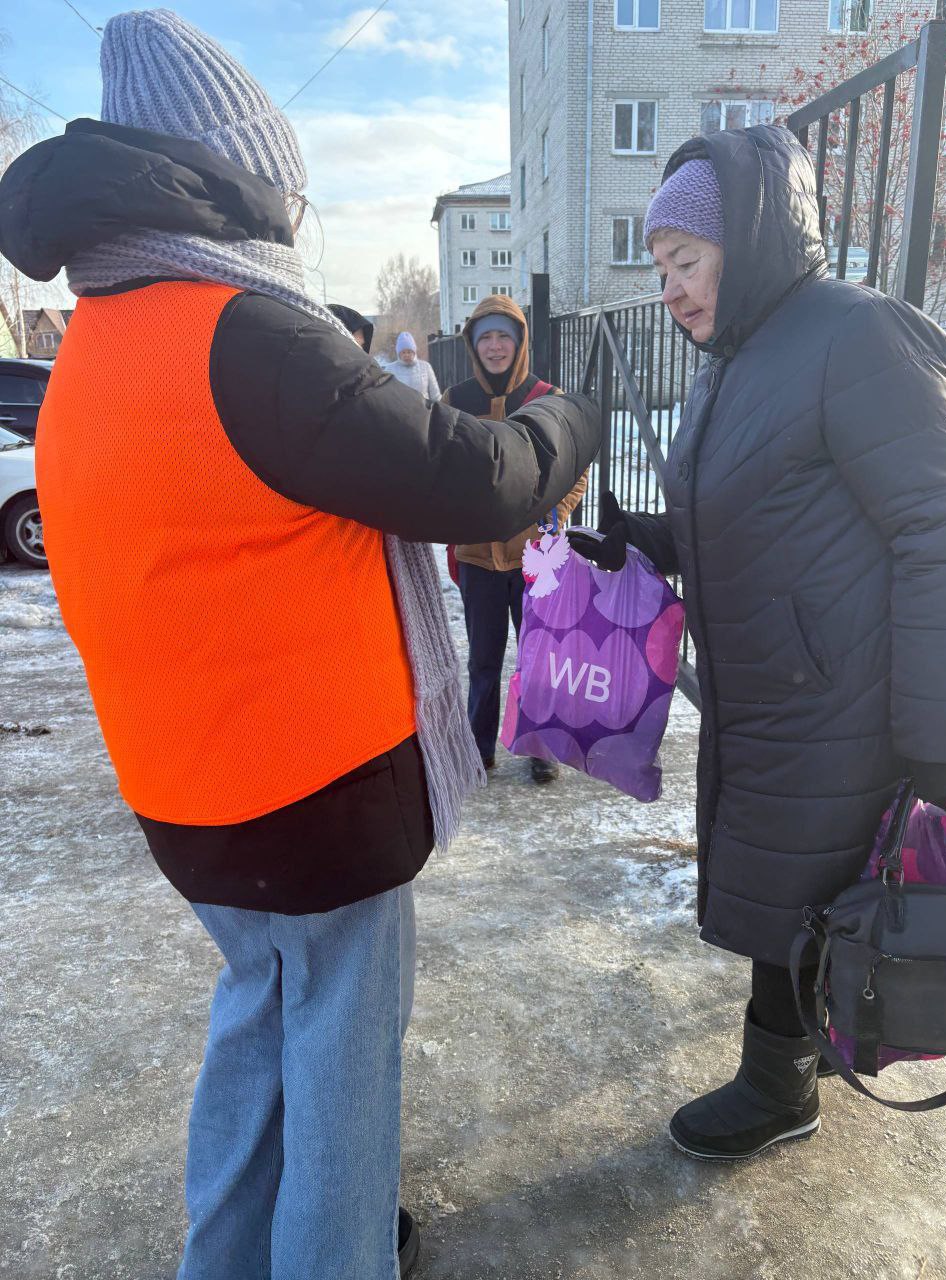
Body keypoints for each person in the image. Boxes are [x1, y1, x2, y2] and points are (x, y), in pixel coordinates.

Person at [0, 10, 600, 1277]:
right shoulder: (244, 335)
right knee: (342, 1058)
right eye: (285, 187)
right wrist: (568, 410)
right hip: (318, 795)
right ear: (231, 179)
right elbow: (477, 476)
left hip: (189, 800)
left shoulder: (96, 350)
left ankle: (225, 1257)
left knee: (259, 1018)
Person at [570, 126, 946, 1161]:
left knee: (815, 897)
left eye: (685, 262)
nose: (672, 291)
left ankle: (779, 1083)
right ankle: (790, 1070)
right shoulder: (734, 360)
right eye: (659, 269)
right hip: (776, 694)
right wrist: (641, 538)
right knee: (796, 894)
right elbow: (755, 514)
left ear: (748, 243)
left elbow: (944, 522)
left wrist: (940, 730)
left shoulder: (856, 335)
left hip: (849, 701)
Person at [443, 294, 588, 784]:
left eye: (504, 335)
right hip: (480, 558)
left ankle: (542, 747)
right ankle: (479, 749)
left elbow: (576, 469)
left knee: (540, 657)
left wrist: (555, 517)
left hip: (537, 557)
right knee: (483, 659)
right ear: (473, 344)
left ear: (520, 340)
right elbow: (437, 469)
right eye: (486, 336)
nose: (496, 346)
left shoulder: (548, 397)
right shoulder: (454, 403)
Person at [385, 332, 441, 402]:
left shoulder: (425, 367)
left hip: (423, 411)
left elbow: (435, 394)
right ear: (398, 353)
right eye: (403, 352)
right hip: (400, 411)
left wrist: (441, 409)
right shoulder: (390, 369)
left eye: (409, 352)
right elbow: (386, 395)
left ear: (414, 352)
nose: (406, 355)